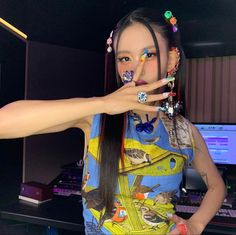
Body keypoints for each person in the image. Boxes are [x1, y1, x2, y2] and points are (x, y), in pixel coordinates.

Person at [0, 8, 226, 235]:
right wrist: (102, 104)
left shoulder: (184, 131)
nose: (135, 69)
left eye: (149, 55)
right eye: (124, 58)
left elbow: (217, 187)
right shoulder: (96, 116)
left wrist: (196, 224)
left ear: (172, 60)